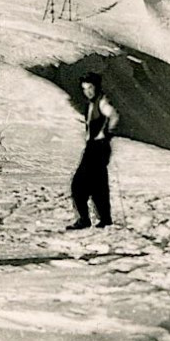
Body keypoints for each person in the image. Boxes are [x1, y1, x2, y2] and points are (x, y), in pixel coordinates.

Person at [68, 71, 119, 230]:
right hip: (96, 147)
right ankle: (104, 219)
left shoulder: (102, 102)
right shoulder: (92, 103)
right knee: (98, 184)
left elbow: (114, 115)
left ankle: (85, 219)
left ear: (96, 86)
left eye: (90, 87)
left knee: (79, 184)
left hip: (98, 147)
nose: (87, 91)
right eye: (84, 89)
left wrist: (108, 132)